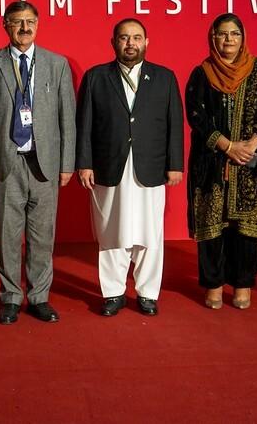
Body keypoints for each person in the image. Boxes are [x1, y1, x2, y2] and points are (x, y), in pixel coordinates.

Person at [0, 1, 76, 324]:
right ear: (5, 25)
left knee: (43, 235)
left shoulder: (57, 64)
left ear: (38, 24)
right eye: (17, 22)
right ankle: (11, 297)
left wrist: (67, 163)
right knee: (7, 235)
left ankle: (40, 297)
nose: (25, 28)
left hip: (45, 163)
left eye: (30, 21)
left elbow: (67, 119)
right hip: (6, 162)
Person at [76, 18, 184, 317]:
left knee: (150, 233)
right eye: (124, 38)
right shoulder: (96, 77)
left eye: (136, 37)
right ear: (114, 43)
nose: (130, 43)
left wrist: (175, 164)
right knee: (111, 231)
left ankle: (148, 294)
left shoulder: (164, 78)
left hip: (151, 166)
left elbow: (175, 124)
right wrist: (84, 163)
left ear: (146, 42)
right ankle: (113, 292)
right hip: (109, 165)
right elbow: (84, 124)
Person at [185, 13, 257, 310]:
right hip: (212, 162)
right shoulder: (201, 74)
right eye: (222, 34)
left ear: (243, 38)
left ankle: (242, 284)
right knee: (212, 225)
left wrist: (251, 144)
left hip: (252, 163)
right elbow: (196, 116)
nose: (228, 39)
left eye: (234, 34)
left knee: (245, 228)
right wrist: (227, 146)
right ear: (213, 38)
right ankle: (213, 284)